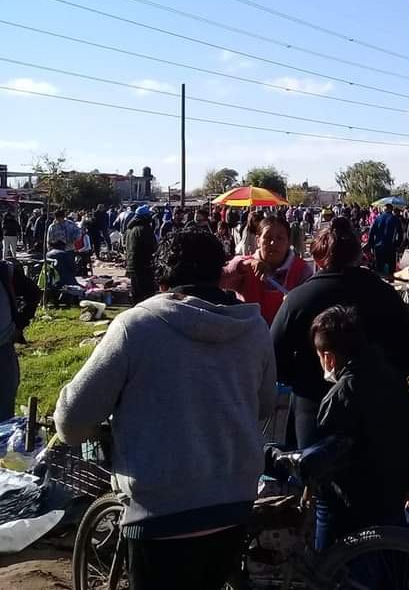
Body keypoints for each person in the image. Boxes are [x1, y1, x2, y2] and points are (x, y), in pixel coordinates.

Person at [54, 229, 276, 590]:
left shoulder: (137, 326)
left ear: (161, 280)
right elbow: (264, 406)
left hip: (161, 517)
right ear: (220, 274)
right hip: (234, 504)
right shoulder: (254, 328)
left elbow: (71, 419)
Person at [271, 219, 409, 448]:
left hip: (314, 409)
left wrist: (305, 377)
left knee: (319, 477)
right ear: (358, 255)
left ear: (318, 257)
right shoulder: (384, 294)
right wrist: (382, 375)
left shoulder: (298, 300)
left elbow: (272, 359)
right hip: (381, 410)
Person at [307, 305, 409, 552]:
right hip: (392, 491)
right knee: (392, 557)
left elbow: (326, 454)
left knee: (330, 561)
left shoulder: (340, 395)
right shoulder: (392, 376)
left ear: (328, 357)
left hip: (351, 501)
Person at [221, 214, 313, 325]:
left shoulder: (302, 270)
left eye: (280, 238)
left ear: (289, 242)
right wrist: (244, 265)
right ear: (258, 240)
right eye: (267, 238)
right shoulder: (245, 267)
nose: (273, 243)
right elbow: (221, 279)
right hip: (248, 336)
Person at [0, 260, 41, 418]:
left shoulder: (5, 272)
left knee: (4, 412)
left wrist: (20, 324)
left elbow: (33, 293)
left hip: (3, 349)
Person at [124, 205, 158, 304]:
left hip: (132, 264)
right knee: (147, 294)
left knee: (136, 292)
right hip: (143, 264)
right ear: (145, 216)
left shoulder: (130, 229)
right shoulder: (144, 229)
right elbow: (152, 247)